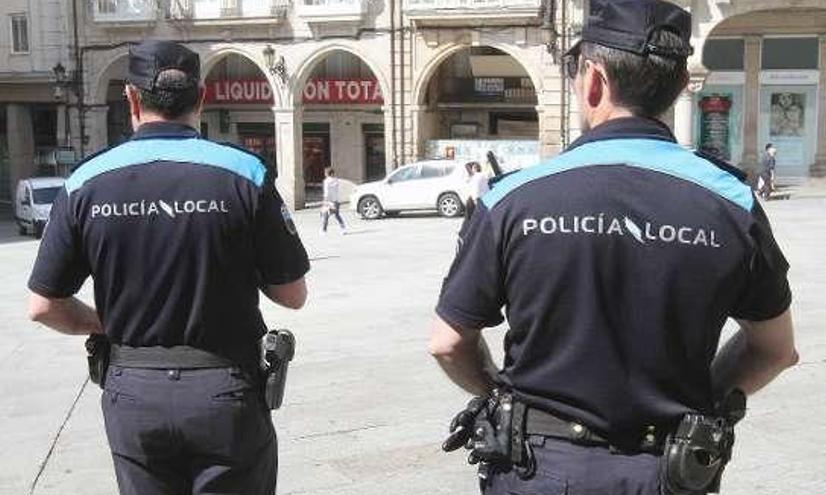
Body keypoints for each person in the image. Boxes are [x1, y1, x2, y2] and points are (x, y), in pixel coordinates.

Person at [429, 1, 799, 494]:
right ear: (675, 87)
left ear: (594, 80)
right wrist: (701, 400)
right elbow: (776, 350)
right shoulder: (731, 203)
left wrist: (497, 392)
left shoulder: (512, 199)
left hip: (535, 470)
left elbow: (448, 342)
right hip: (670, 471)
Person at [27, 40, 310, 495]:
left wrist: (110, 321)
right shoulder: (246, 173)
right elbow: (292, 294)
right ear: (201, 98)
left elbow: (43, 306)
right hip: (225, 389)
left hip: (133, 391)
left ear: (131, 99)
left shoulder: (85, 182)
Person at [321, 167, 347, 234]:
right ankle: (343, 228)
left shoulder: (326, 181)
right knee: (337, 215)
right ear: (332, 173)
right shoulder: (336, 180)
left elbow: (326, 192)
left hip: (329, 201)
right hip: (336, 200)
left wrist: (325, 201)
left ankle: (324, 230)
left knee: (325, 215)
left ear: (326, 174)